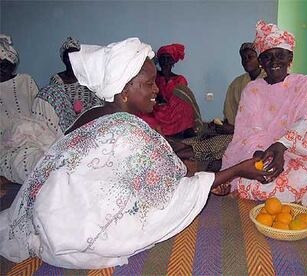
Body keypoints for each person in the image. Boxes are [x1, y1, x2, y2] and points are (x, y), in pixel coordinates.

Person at [0, 38, 271, 269]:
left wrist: (183, 162)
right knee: (160, 200)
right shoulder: (128, 129)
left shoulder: (94, 113)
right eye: (149, 83)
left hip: (44, 209)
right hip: (72, 224)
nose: (156, 89)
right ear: (126, 88)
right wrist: (235, 171)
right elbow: (166, 188)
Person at [221, 20, 307, 211]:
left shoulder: (306, 83)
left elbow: (305, 121)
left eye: (280, 55)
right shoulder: (252, 89)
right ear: (261, 62)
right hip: (259, 151)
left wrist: (280, 147)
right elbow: (247, 129)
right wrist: (260, 154)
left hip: (295, 149)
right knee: (257, 178)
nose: (274, 62)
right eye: (267, 57)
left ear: (290, 58)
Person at [0, 34, 41, 184]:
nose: (1, 69)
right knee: (32, 165)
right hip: (7, 146)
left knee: (54, 157)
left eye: (4, 64)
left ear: (11, 64)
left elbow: (39, 111)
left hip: (35, 136)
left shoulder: (25, 80)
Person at [138, 43, 195, 138]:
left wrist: (167, 101)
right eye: (163, 58)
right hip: (156, 107)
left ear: (173, 61)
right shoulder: (154, 77)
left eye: (168, 58)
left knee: (185, 106)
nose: (165, 61)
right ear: (159, 60)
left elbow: (181, 97)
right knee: (142, 110)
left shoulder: (180, 79)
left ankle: (181, 130)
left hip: (174, 109)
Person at [219, 42, 266, 134]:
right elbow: (230, 111)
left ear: (259, 59)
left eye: (250, 57)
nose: (246, 60)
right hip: (238, 132)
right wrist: (226, 126)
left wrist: (236, 130)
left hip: (262, 134)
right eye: (243, 58)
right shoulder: (236, 83)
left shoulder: (269, 80)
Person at [48, 37, 103, 115]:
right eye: (68, 57)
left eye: (75, 56)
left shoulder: (87, 78)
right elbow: (56, 105)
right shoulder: (57, 80)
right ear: (64, 59)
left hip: (89, 118)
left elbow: (97, 102)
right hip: (67, 119)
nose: (71, 60)